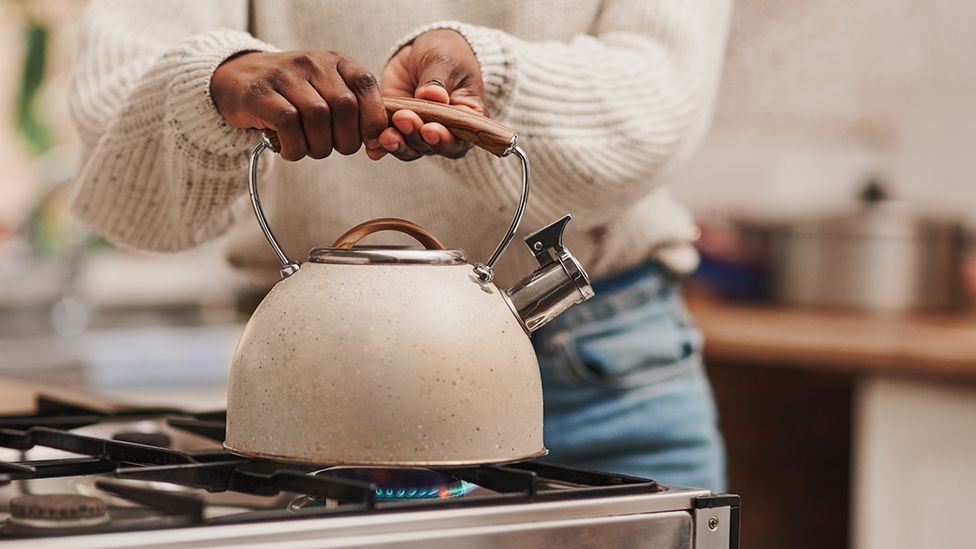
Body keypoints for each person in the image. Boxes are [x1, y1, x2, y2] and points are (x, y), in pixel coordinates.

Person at [70, 0, 732, 491]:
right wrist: (214, 82)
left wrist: (492, 79)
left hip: (607, 383)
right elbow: (116, 123)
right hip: (318, 389)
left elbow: (662, 100)